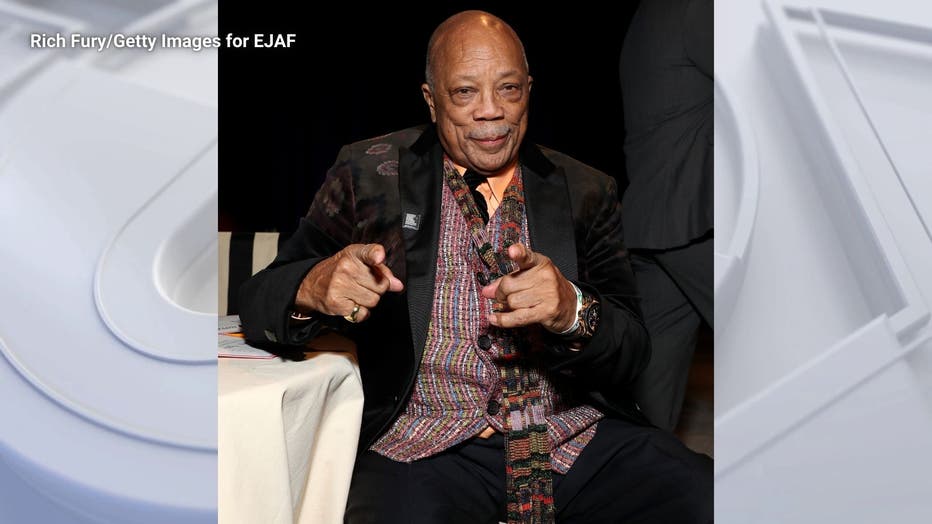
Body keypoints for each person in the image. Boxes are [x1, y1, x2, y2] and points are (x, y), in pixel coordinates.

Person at [239, 10, 711, 523]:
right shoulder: (371, 172)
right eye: (465, 92)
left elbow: (633, 350)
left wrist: (573, 311)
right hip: (421, 450)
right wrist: (314, 285)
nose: (491, 112)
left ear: (529, 90)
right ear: (430, 99)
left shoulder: (584, 189)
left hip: (574, 440)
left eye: (508, 89)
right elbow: (261, 297)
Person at [620, 0, 713, 432]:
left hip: (654, 222)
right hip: (700, 216)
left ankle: (633, 491)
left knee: (650, 392)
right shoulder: (700, 8)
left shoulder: (650, 13)